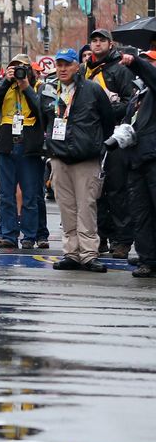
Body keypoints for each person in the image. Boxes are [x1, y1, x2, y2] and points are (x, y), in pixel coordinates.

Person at [47, 48, 115, 273]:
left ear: (77, 66)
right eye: (59, 65)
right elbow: (43, 120)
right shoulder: (51, 92)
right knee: (67, 209)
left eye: (67, 64)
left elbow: (108, 120)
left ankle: (88, 254)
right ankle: (71, 253)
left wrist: (96, 145)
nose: (63, 69)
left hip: (86, 159)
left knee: (86, 207)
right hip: (59, 158)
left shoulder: (93, 90)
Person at [84, 28, 137, 259]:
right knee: (96, 191)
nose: (97, 44)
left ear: (110, 44)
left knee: (116, 190)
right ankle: (101, 237)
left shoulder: (119, 70)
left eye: (101, 41)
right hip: (91, 138)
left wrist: (104, 111)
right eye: (94, 41)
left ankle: (122, 240)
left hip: (115, 139)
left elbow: (131, 102)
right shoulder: (85, 71)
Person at [0, 55, 45, 249]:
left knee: (30, 194)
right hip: (7, 144)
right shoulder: (5, 87)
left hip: (29, 145)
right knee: (6, 193)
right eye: (14, 68)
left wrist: (25, 85)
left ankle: (29, 235)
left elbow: (41, 110)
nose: (18, 72)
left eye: (22, 68)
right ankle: (8, 234)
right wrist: (5, 82)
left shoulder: (37, 88)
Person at [120, 50, 156, 277]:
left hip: (152, 157)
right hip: (136, 158)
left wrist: (135, 63)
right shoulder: (140, 92)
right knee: (140, 212)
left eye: (151, 59)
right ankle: (148, 258)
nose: (148, 63)